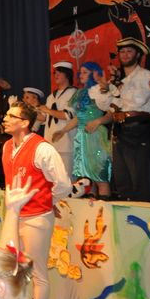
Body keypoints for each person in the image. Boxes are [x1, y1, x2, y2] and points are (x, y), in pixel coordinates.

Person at [1, 101, 71, 299]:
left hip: (36, 218)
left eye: (11, 116)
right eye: (6, 115)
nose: (5, 119)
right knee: (10, 269)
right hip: (14, 218)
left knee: (37, 272)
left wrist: (50, 201)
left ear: (25, 123)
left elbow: (63, 184)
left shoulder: (42, 148)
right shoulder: (6, 147)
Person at [91, 37, 150, 201]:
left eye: (129, 51)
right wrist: (106, 89)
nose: (125, 54)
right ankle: (125, 212)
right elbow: (105, 105)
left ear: (138, 55)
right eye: (122, 51)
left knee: (138, 178)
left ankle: (141, 212)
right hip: (119, 129)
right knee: (122, 179)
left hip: (138, 128)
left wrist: (114, 90)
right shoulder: (118, 80)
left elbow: (136, 101)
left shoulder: (145, 75)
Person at [53, 62, 112, 199]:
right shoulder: (80, 93)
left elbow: (112, 114)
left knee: (99, 175)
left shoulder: (101, 91)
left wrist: (98, 121)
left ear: (95, 74)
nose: (81, 75)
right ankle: (90, 207)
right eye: (81, 72)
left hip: (95, 136)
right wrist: (63, 131)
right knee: (85, 178)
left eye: (85, 72)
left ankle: (104, 208)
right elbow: (79, 117)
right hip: (81, 137)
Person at [37, 61, 77, 178]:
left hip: (66, 144)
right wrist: (32, 110)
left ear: (67, 75)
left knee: (67, 179)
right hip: (50, 143)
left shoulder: (74, 93)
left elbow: (67, 115)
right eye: (55, 73)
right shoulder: (51, 96)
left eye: (59, 72)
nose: (56, 75)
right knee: (52, 179)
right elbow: (44, 118)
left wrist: (47, 110)